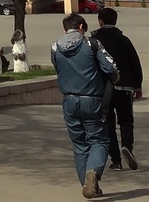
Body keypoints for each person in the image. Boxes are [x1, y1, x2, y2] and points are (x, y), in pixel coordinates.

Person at [52, 13, 120, 198]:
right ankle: (93, 174)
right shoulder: (92, 44)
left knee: (79, 145)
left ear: (65, 29)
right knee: (99, 140)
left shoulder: (55, 47)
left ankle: (87, 184)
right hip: (92, 100)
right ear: (81, 27)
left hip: (69, 100)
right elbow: (111, 68)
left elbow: (58, 68)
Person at [91, 7, 143, 172]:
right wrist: (137, 85)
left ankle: (116, 161)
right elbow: (135, 63)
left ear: (100, 22)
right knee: (126, 121)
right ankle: (127, 146)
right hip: (124, 86)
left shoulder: (94, 41)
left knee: (108, 124)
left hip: (103, 88)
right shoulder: (124, 40)